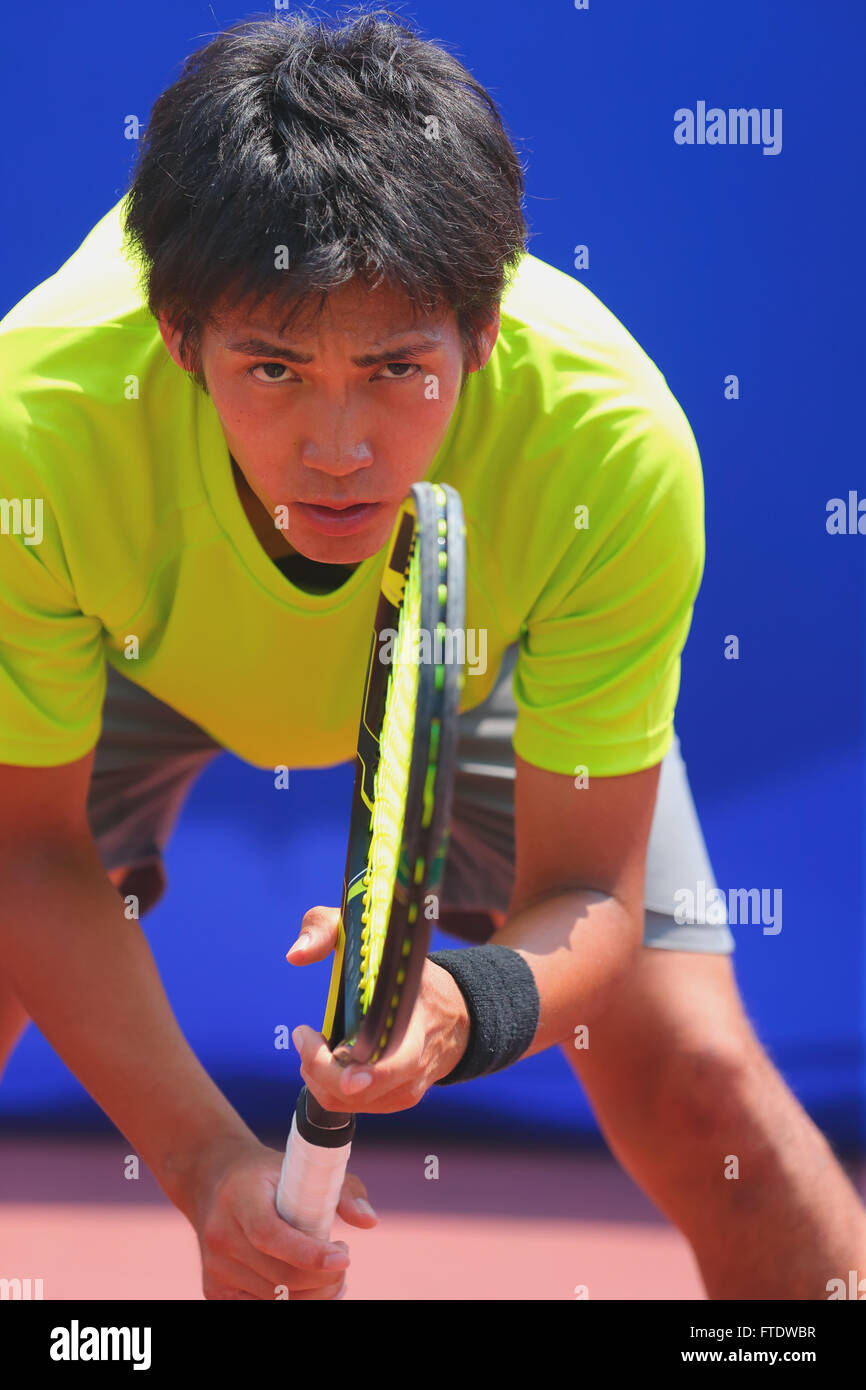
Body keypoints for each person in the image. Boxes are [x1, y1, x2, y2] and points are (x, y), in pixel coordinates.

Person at [0, 11, 862, 1302]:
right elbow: (26, 850)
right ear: (179, 341)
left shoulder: (605, 452)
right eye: (274, 367)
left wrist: (462, 1003)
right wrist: (207, 1169)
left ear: (485, 329)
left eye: (398, 367)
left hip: (478, 660)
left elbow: (595, 895)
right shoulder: (36, 436)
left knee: (702, 1083)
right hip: (123, 649)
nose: (336, 446)